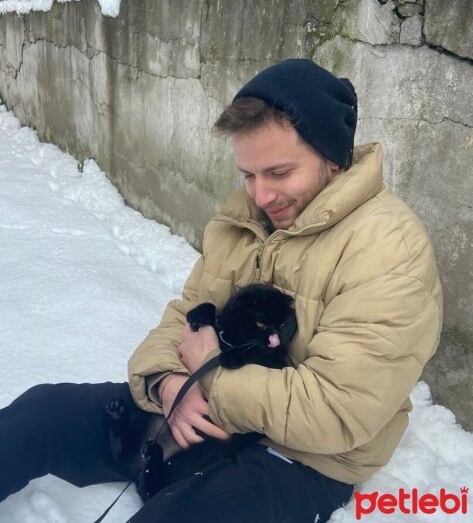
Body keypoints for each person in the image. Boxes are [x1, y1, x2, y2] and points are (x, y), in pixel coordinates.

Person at [0, 59, 442, 523]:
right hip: (197, 415)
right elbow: (183, 317)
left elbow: (337, 412)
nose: (261, 195)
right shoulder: (244, 221)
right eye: (248, 175)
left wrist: (210, 377)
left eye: (279, 172)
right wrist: (167, 382)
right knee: (41, 414)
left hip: (300, 457)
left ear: (332, 157)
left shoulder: (389, 251)